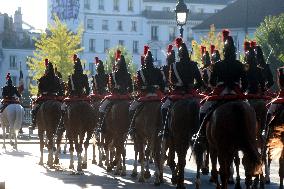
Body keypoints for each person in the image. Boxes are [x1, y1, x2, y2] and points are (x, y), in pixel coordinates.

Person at [197, 30, 248, 139]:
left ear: (224, 51)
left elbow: (212, 82)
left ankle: (201, 134)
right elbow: (245, 83)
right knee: (250, 110)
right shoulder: (239, 65)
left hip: (220, 92)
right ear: (234, 51)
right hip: (236, 91)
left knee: (203, 110)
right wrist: (241, 91)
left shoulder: (217, 65)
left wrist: (214, 85)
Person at [159, 37, 204, 137]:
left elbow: (172, 82)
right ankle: (200, 133)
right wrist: (191, 87)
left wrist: (178, 86)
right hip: (191, 93)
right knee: (202, 109)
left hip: (178, 93)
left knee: (164, 107)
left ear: (179, 54)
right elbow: (200, 82)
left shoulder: (174, 66)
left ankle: (165, 130)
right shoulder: (193, 65)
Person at [128, 46, 165, 134]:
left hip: (145, 95)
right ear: (152, 61)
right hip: (157, 95)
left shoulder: (140, 72)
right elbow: (162, 85)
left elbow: (137, 87)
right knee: (166, 108)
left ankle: (132, 127)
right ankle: (164, 127)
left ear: (145, 62)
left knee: (131, 109)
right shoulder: (158, 71)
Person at [97, 51, 133, 132]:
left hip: (115, 96)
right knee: (133, 109)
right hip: (126, 96)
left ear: (118, 65)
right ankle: (132, 127)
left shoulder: (113, 74)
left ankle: (102, 126)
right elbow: (131, 89)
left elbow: (111, 88)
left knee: (102, 108)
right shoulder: (128, 75)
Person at [31, 59, 63, 129]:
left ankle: (33, 122)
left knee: (35, 107)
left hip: (44, 97)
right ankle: (62, 123)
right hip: (54, 97)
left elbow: (40, 89)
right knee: (63, 108)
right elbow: (60, 89)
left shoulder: (43, 78)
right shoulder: (57, 78)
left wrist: (42, 92)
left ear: (47, 70)